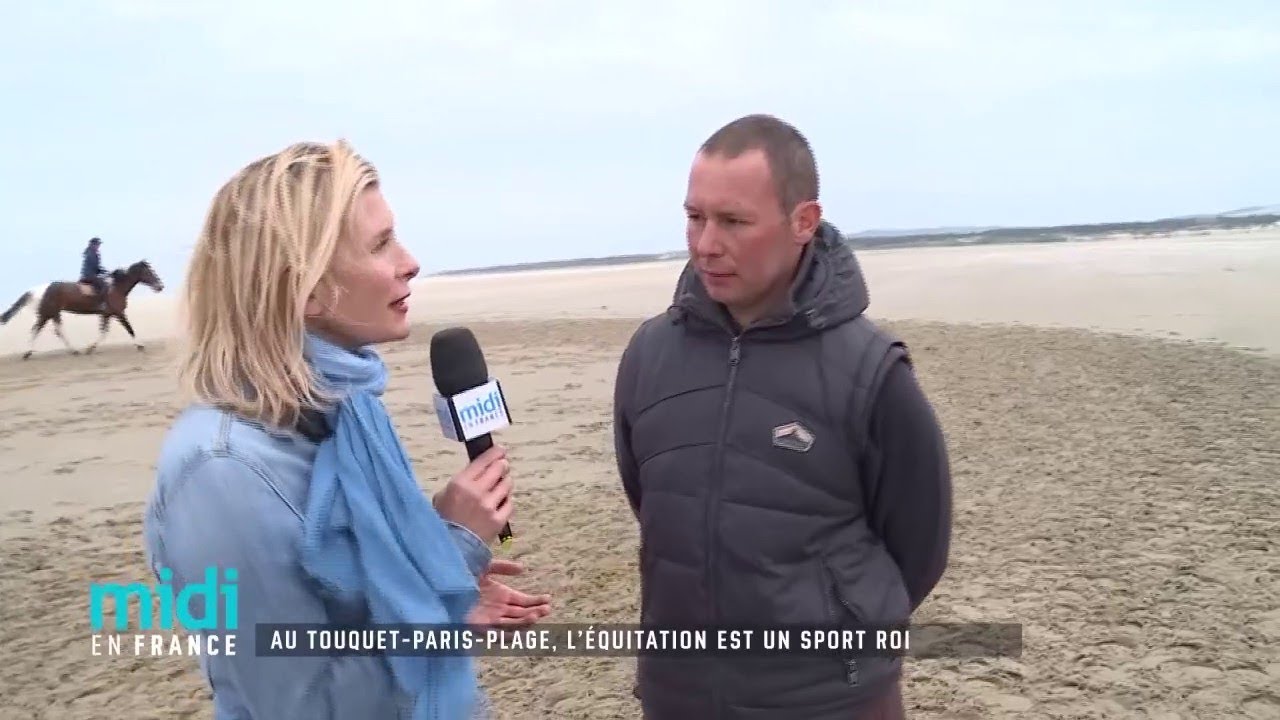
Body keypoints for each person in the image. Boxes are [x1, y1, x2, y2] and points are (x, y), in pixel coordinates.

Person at [144, 139, 551, 720]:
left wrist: (429, 550)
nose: (409, 261)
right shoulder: (222, 474)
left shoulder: (344, 411)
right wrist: (450, 567)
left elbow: (354, 605)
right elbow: (304, 704)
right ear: (306, 289)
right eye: (381, 244)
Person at [612, 114, 952, 718]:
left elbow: (918, 548)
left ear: (804, 222)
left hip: (831, 700)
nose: (706, 244)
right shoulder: (649, 355)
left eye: (734, 221)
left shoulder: (871, 370)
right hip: (679, 696)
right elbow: (655, 504)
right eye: (695, 217)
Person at [80, 236, 109, 310]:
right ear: (93, 245)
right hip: (89, 275)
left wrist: (103, 271)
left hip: (88, 274)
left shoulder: (90, 252)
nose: (98, 246)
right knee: (104, 285)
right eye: (97, 244)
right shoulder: (92, 254)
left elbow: (96, 267)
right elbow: (95, 267)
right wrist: (104, 271)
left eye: (99, 244)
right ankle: (100, 304)